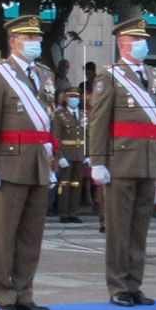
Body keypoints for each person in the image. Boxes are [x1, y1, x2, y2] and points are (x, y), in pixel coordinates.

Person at [0, 16, 57, 310]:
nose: (35, 43)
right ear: (13, 41)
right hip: (9, 162)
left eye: (37, 38)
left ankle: (25, 291)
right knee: (4, 234)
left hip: (38, 161)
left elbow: (50, 118)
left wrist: (53, 152)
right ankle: (3, 293)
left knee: (31, 234)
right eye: (28, 38)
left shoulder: (44, 74)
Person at [89, 18, 156, 307]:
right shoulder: (109, 76)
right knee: (119, 228)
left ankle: (134, 283)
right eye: (137, 39)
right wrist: (98, 161)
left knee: (139, 228)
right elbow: (99, 122)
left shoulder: (152, 75)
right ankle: (117, 285)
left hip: (147, 159)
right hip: (121, 160)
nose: (143, 44)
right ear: (123, 44)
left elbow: (154, 121)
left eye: (143, 39)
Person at [53, 86, 87, 223]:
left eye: (77, 97)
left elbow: (88, 135)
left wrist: (88, 154)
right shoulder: (60, 115)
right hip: (66, 152)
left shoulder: (83, 114)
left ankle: (74, 211)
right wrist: (59, 156)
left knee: (76, 184)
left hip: (79, 153)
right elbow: (56, 137)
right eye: (72, 97)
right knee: (64, 184)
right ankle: (64, 212)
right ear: (66, 99)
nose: (75, 100)